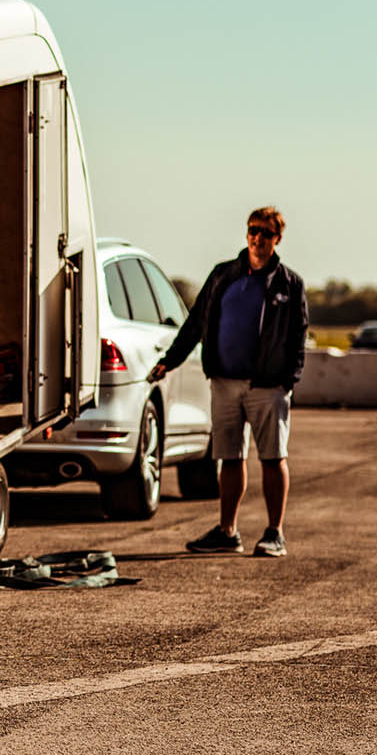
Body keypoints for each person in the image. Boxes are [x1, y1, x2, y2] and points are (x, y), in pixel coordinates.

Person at [148, 206, 308, 557]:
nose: (257, 237)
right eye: (253, 230)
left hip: (268, 387)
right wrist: (168, 362)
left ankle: (274, 533)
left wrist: (287, 381)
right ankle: (227, 531)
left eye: (266, 232)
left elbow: (299, 336)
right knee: (229, 457)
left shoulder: (289, 283)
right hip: (224, 383)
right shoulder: (224, 275)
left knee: (272, 457)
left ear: (277, 238)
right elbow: (196, 323)